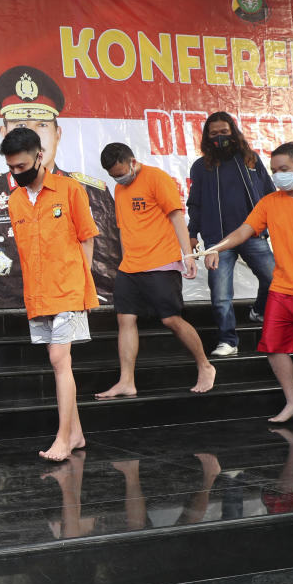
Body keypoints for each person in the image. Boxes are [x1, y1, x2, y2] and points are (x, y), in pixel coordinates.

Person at [197, 142, 293, 425]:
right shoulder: (269, 202)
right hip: (282, 287)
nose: (279, 175)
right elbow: (244, 230)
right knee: (273, 346)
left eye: (284, 170)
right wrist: (216, 248)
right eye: (274, 171)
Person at [0, 65, 120, 308]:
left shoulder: (88, 192)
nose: (32, 135)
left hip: (67, 300)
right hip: (13, 309)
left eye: (41, 124)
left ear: (58, 133)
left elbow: (105, 265)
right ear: (3, 132)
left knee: (60, 348)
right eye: (20, 126)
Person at [0, 128, 96, 461]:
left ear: (40, 156)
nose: (16, 173)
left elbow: (87, 238)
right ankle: (78, 433)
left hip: (68, 290)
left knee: (59, 360)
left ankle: (64, 438)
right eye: (11, 168)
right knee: (58, 363)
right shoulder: (14, 200)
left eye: (22, 166)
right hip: (38, 295)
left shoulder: (70, 190)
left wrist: (80, 285)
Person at [96, 143, 216, 398]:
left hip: (161, 261)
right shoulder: (120, 189)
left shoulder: (156, 178)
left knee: (171, 319)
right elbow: (125, 228)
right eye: (113, 176)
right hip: (130, 266)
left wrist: (188, 256)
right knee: (124, 319)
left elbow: (175, 216)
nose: (119, 178)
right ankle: (127, 381)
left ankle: (205, 366)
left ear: (132, 162)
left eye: (121, 173)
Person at [187, 111, 276, 356]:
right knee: (220, 295)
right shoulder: (201, 167)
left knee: (275, 280)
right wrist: (192, 233)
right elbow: (195, 203)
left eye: (224, 133)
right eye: (213, 134)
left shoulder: (251, 160)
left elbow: (270, 194)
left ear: (233, 132)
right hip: (217, 241)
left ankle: (259, 311)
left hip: (252, 235)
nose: (219, 138)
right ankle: (228, 341)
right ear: (207, 137)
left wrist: (273, 226)